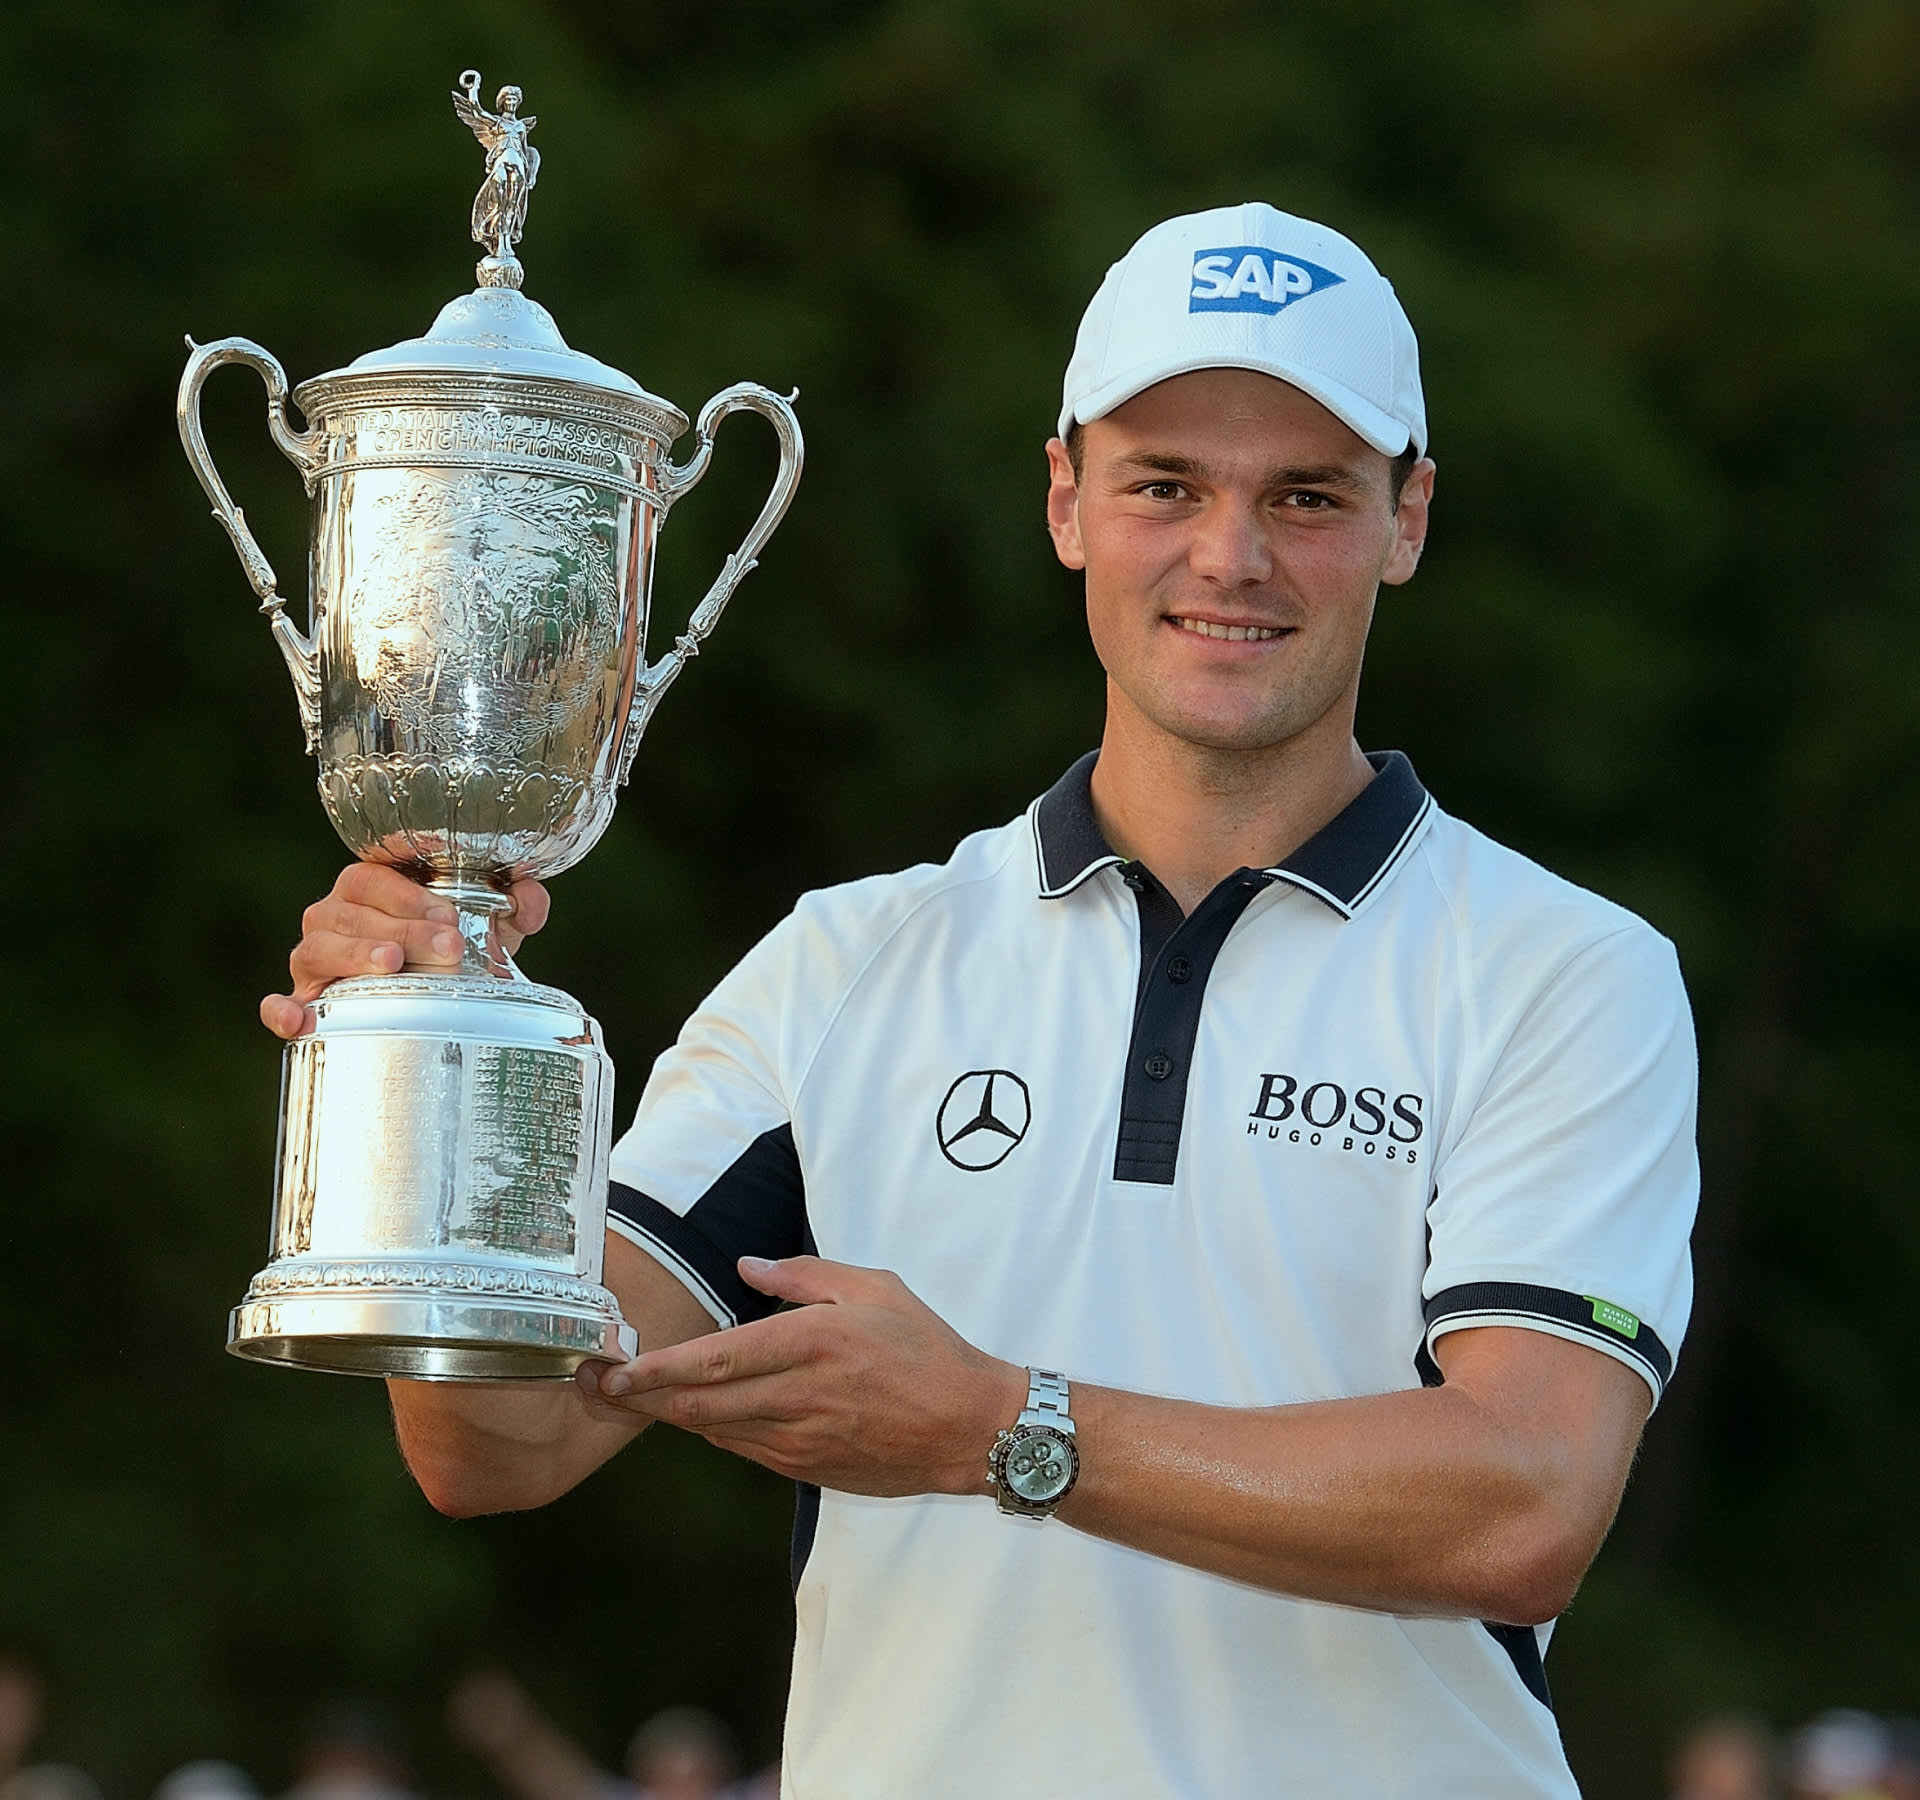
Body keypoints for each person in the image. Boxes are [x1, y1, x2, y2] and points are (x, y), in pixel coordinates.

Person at [268, 202, 1699, 1797]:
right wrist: (433, 1066)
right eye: (1166, 485)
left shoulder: (1562, 971)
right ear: (1067, 499)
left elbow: (1524, 1500)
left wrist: (1004, 1428)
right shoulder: (848, 962)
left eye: (1307, 496)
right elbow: (500, 1444)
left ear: (1408, 518)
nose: (1231, 556)